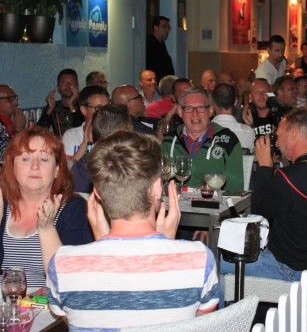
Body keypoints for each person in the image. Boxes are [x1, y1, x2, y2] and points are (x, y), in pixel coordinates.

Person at [47, 132, 219, 328]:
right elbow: (198, 325)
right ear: (157, 188)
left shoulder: (62, 265)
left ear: (97, 194)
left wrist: (102, 241)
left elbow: (75, 320)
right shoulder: (199, 260)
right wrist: (167, 247)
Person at [220, 108, 307, 281]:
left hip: (284, 268)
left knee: (211, 260)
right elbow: (300, 182)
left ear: (293, 134)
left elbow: (257, 214)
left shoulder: (288, 179)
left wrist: (264, 167)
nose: (277, 144)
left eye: (278, 135)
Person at [0, 126, 93, 288]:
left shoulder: (73, 209)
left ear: (57, 170)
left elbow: (74, 281)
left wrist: (47, 228)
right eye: (25, 159)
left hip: (48, 302)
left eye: (44, 159)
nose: (35, 166)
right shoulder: (2, 203)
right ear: (13, 167)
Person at [162, 86, 243, 190]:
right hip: (176, 199)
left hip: (212, 200)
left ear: (211, 110)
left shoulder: (228, 141)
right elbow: (158, 181)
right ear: (180, 112)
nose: (195, 114)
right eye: (188, 108)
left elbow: (235, 189)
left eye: (201, 108)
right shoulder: (169, 141)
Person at [71, 104, 133, 193]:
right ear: (123, 133)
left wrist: (88, 144)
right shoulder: (129, 165)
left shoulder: (82, 167)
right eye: (130, 133)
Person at [62, 85, 110, 160]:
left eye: (107, 108)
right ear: (83, 110)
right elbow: (68, 167)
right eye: (98, 108)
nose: (105, 112)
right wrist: (85, 144)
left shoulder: (114, 134)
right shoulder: (71, 136)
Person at [37, 69, 84, 138]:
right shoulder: (53, 107)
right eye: (64, 82)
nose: (68, 85)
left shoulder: (84, 106)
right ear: (58, 88)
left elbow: (82, 130)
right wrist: (49, 110)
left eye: (72, 82)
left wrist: (71, 105)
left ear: (77, 87)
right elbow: (38, 132)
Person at [212, 83, 255, 153]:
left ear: (213, 104)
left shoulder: (203, 132)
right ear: (235, 102)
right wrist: (251, 126)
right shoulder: (249, 132)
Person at [0, 85, 26, 162]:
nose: (16, 102)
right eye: (10, 98)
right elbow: (7, 156)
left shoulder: (14, 120)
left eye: (15, 98)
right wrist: (19, 130)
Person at [146, 15, 175, 81]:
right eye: (164, 27)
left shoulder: (161, 44)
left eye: (168, 27)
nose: (167, 30)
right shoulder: (149, 44)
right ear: (155, 28)